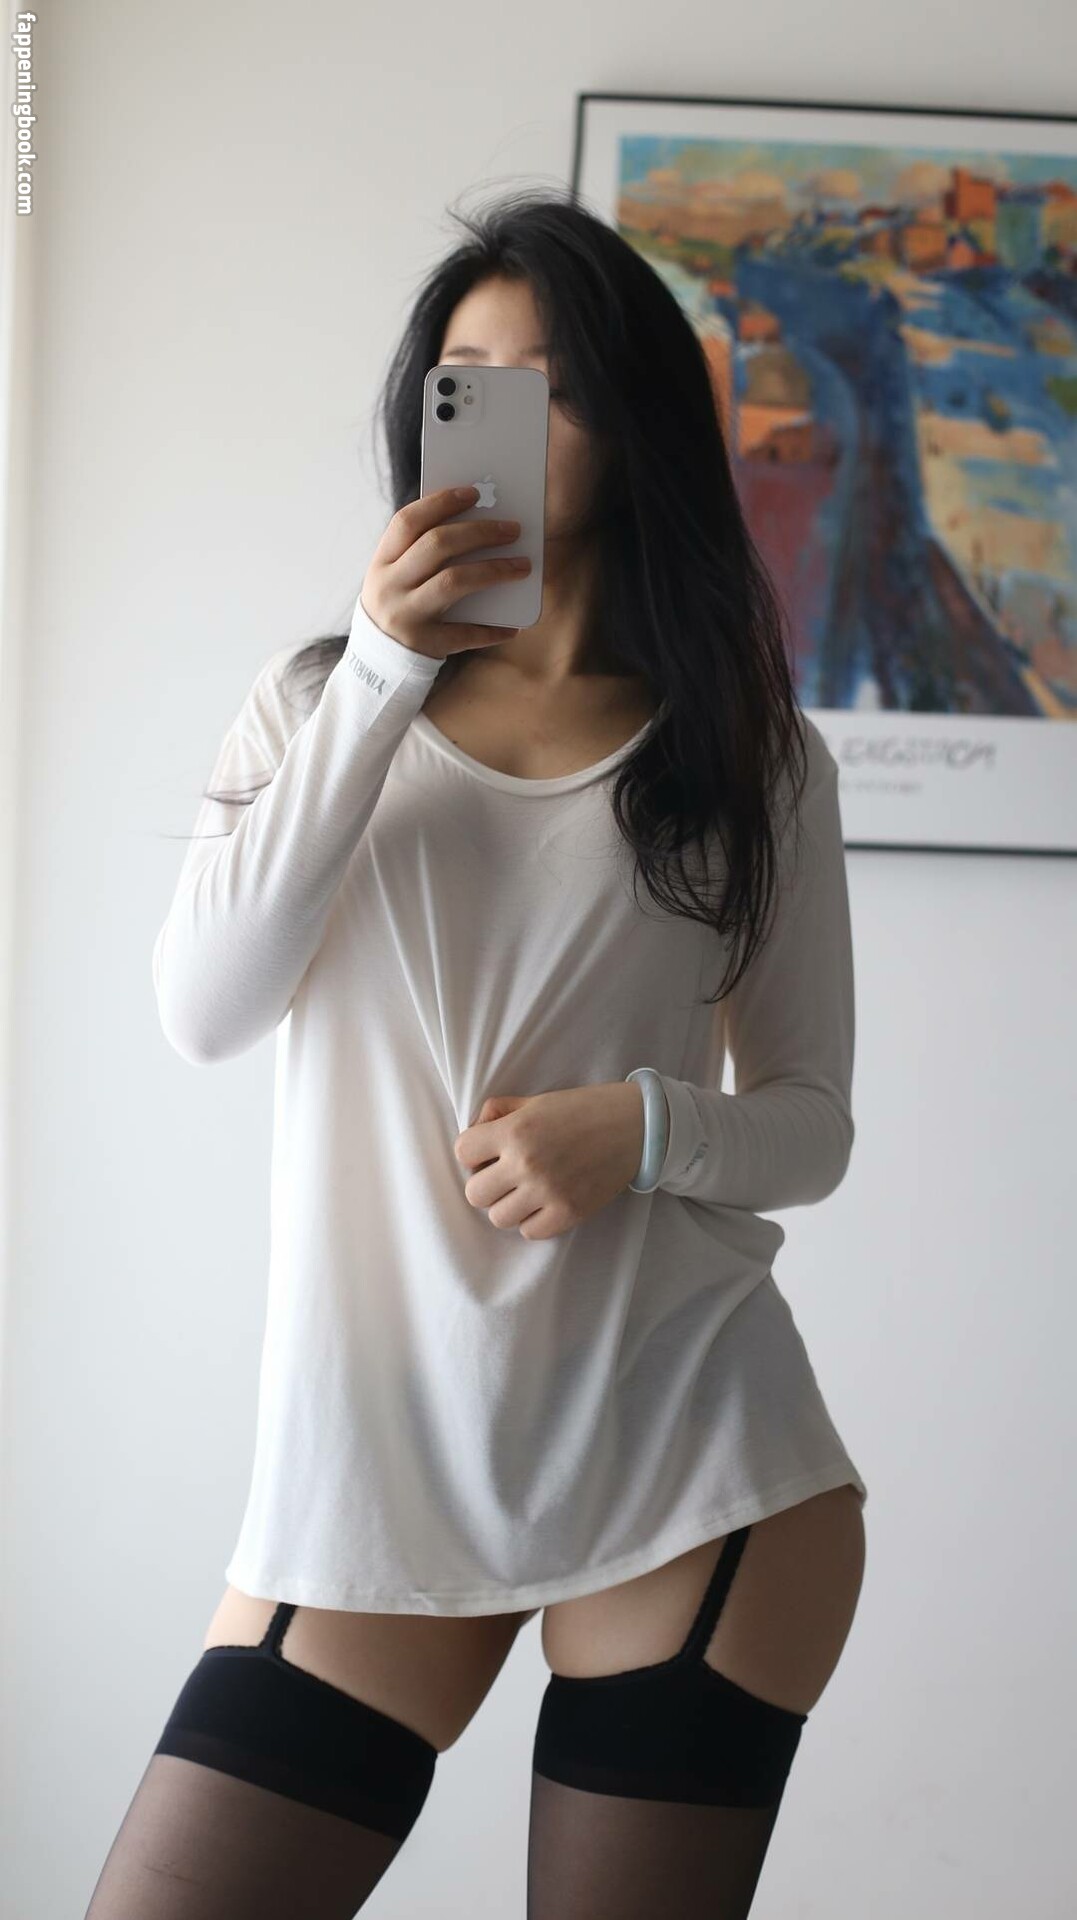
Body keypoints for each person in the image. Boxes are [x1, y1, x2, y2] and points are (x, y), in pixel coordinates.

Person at [85, 187, 868, 1919]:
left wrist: (640, 1129)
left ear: (636, 419)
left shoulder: (752, 757)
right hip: (377, 1466)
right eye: (469, 380)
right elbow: (204, 1011)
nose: (505, 416)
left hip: (692, 1461)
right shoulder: (316, 702)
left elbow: (810, 1126)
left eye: (554, 383)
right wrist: (382, 668)